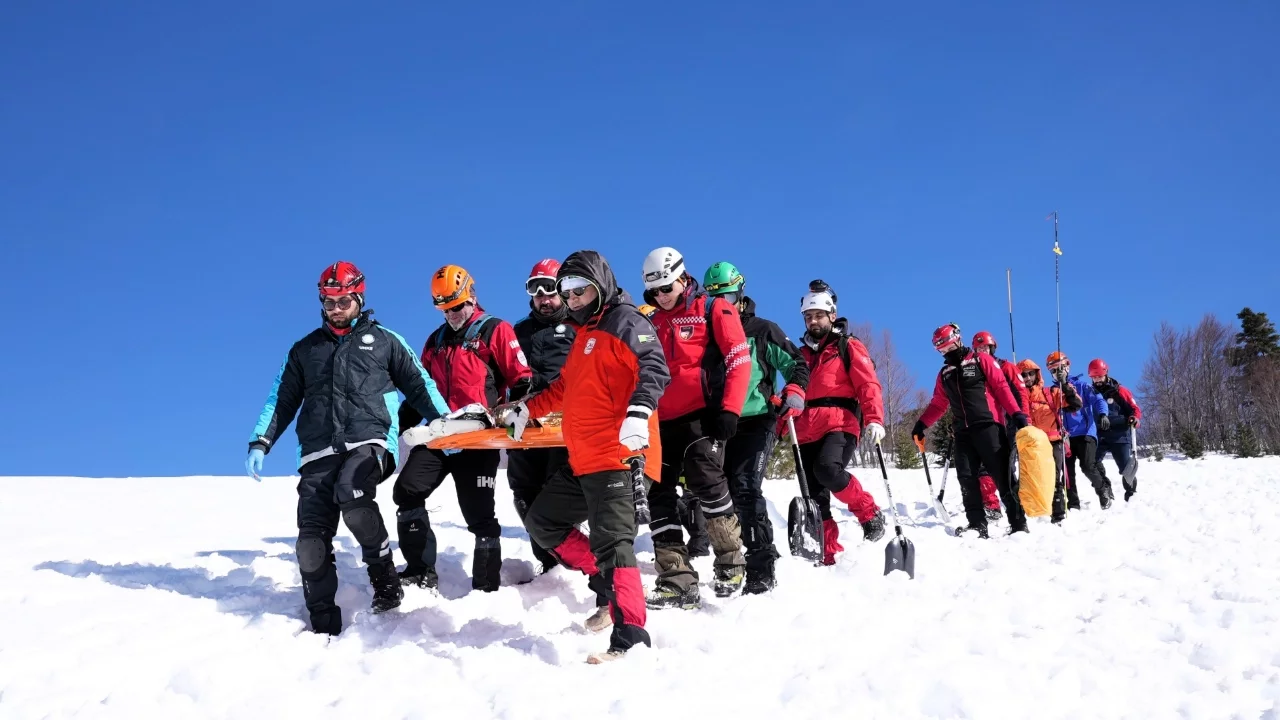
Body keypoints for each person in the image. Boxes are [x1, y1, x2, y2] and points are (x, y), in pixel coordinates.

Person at [245, 261, 451, 635]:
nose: (336, 309)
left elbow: (420, 385)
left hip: (370, 442)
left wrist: (447, 427)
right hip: (318, 451)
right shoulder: (305, 349)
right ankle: (323, 630)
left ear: (358, 297)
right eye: (328, 302)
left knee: (353, 494)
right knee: (310, 542)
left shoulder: (385, 340)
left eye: (342, 301)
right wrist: (262, 440)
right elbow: (282, 398)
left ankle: (384, 579)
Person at [494, 250, 670, 663]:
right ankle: (607, 585)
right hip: (584, 459)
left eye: (579, 290)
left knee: (615, 544)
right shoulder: (584, 336)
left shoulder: (626, 320)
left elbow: (654, 367)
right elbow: (562, 392)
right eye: (566, 292)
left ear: (600, 285)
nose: (571, 299)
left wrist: (640, 411)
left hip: (620, 455)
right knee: (543, 521)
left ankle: (632, 636)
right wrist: (526, 409)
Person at [394, 265, 532, 593]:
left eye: (457, 307)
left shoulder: (495, 330)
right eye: (444, 309)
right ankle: (419, 570)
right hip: (440, 433)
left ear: (472, 297)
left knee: (479, 514)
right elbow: (420, 392)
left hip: (478, 435)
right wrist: (397, 427)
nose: (452, 314)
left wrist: (517, 416)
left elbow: (522, 379)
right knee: (407, 491)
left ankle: (486, 588)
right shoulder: (435, 342)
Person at [640, 246, 751, 606]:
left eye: (666, 289)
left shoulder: (712, 308)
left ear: (682, 278)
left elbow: (738, 357)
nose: (661, 297)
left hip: (702, 416)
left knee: (706, 481)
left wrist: (731, 409)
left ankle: (731, 560)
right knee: (658, 494)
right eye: (654, 292)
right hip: (659, 421)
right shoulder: (651, 320)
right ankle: (676, 577)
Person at [703, 261, 810, 592]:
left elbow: (796, 363)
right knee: (715, 494)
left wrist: (793, 389)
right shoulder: (706, 332)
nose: (722, 302)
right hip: (718, 421)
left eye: (729, 294)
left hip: (756, 418)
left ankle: (761, 564)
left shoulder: (763, 330)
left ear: (741, 293)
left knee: (746, 489)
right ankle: (727, 561)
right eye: (714, 296)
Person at [791, 280, 884, 565]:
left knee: (828, 471)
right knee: (815, 497)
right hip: (805, 428)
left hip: (839, 423)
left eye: (818, 315)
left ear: (832, 315)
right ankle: (827, 553)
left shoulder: (848, 346)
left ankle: (868, 511)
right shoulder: (801, 355)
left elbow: (867, 383)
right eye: (808, 316)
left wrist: (874, 418)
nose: (813, 321)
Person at [913, 323, 1030, 538]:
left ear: (958, 340)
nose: (947, 353)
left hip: (989, 426)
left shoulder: (980, 360)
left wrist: (1017, 414)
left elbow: (1001, 388)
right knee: (966, 477)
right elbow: (939, 403)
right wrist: (921, 424)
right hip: (963, 433)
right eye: (942, 350)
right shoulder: (945, 373)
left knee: (1003, 476)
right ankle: (977, 525)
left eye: (949, 347)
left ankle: (1018, 524)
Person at [510, 259, 576, 571]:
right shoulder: (518, 331)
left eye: (549, 289)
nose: (543, 297)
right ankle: (550, 563)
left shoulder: (580, 326)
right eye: (535, 290)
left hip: (565, 422)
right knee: (523, 492)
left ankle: (573, 557)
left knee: (555, 491)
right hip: (524, 421)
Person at [970, 331, 1030, 522]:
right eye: (978, 348)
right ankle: (991, 505)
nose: (982, 351)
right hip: (989, 424)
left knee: (1005, 467)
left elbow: (1021, 394)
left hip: (1011, 422)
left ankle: (1017, 507)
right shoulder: (975, 370)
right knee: (983, 468)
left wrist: (1024, 418)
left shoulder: (1007, 367)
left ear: (992, 347)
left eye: (985, 347)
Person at [1045, 352, 1114, 510]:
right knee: (1067, 473)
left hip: (1085, 433)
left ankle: (1102, 488)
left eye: (1061, 369)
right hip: (1065, 437)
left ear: (1068, 367)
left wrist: (1103, 414)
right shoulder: (1051, 392)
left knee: (1087, 466)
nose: (1058, 373)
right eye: (1054, 371)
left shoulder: (1082, 386)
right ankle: (1073, 504)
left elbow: (1098, 399)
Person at [1017, 359, 1082, 523]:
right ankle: (1034, 513)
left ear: (1037, 374)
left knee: (1054, 478)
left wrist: (1064, 384)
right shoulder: (1018, 398)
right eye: (1023, 375)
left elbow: (1076, 404)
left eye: (1030, 373)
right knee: (1032, 480)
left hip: (1053, 442)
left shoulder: (1050, 393)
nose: (1027, 377)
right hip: (1032, 447)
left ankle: (1058, 515)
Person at [1087, 358, 1143, 501]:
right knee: (1092, 462)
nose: (1097, 380)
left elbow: (1134, 409)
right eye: (1094, 378)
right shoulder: (1090, 393)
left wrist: (1135, 419)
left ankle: (1131, 493)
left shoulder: (1120, 391)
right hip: (1100, 434)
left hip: (1119, 434)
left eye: (1099, 376)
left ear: (1106, 374)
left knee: (1126, 468)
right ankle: (1105, 487)